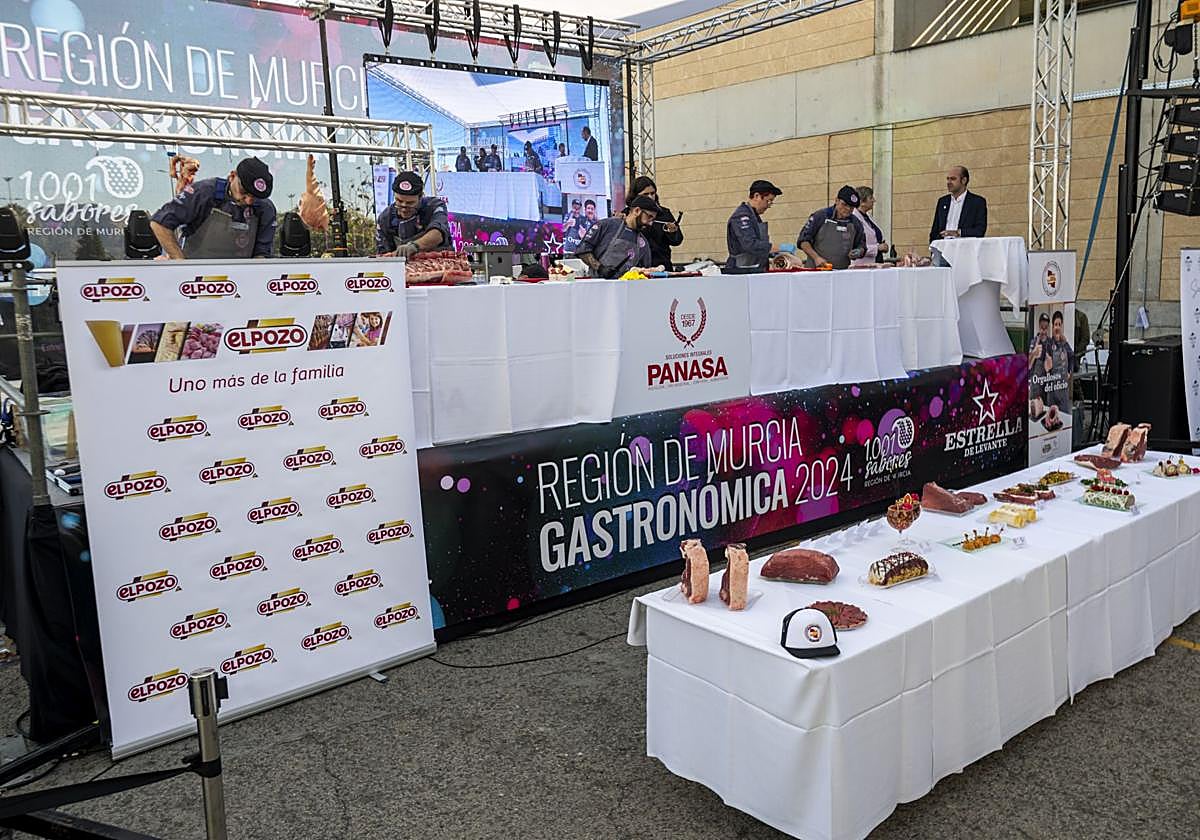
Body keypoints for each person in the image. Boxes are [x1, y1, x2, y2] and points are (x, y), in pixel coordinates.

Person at [150, 156, 277, 259]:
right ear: (232, 176)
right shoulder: (204, 191)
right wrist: (180, 263)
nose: (249, 201)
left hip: (240, 275)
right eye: (244, 192)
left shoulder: (265, 208)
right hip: (195, 275)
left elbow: (262, 255)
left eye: (254, 197)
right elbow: (160, 224)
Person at [573, 195, 659, 278]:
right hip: (597, 285)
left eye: (653, 219)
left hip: (627, 288)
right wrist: (600, 268)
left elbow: (645, 271)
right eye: (649, 217)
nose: (650, 223)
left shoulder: (643, 243)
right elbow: (583, 250)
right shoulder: (606, 225)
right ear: (637, 211)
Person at [375, 171, 451, 257]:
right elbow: (383, 255)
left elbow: (438, 234)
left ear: (420, 197)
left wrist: (414, 246)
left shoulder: (434, 206)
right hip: (404, 266)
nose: (404, 208)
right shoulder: (385, 218)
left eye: (410, 203)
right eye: (399, 201)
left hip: (440, 263)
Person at [797, 185, 867, 270]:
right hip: (817, 270)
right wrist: (816, 258)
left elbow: (861, 244)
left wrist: (859, 251)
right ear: (837, 201)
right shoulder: (821, 216)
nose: (847, 209)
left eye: (851, 207)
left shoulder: (855, 222)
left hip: (842, 271)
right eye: (844, 205)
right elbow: (803, 241)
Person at [725, 180, 782, 273]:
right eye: (768, 201)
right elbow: (750, 244)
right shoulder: (741, 216)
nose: (769, 206)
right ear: (756, 196)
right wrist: (780, 248)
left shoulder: (754, 217)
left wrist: (776, 255)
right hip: (740, 270)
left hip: (755, 268)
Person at [628, 176, 683, 270]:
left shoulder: (664, 213)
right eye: (645, 194)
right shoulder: (628, 214)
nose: (650, 197)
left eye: (652, 193)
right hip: (636, 267)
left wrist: (673, 232)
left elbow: (677, 240)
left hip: (661, 265)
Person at [929, 165, 988, 242]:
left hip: (964, 248)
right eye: (948, 179)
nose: (949, 182)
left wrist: (958, 233)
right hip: (943, 249)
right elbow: (935, 231)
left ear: (964, 180)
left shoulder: (977, 202)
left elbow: (979, 231)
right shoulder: (942, 201)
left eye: (953, 179)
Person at [850, 186, 887, 266]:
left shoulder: (868, 217)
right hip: (861, 264)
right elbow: (853, 248)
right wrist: (877, 248)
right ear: (862, 202)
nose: (874, 200)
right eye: (871, 198)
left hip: (875, 262)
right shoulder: (853, 219)